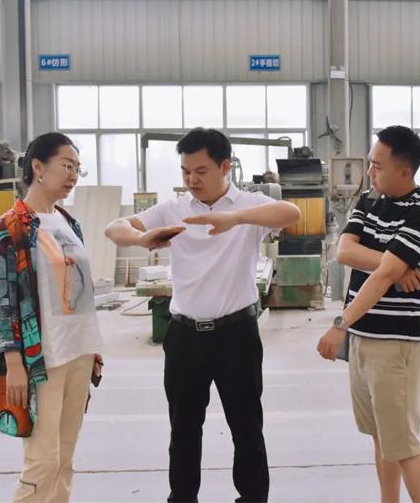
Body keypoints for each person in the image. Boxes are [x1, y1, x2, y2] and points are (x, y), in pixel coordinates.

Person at [105, 127, 300, 502]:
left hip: (236, 335)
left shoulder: (249, 205)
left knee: (246, 427)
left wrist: (235, 218)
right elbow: (114, 228)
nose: (191, 180)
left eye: (200, 171)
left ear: (224, 167)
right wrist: (142, 238)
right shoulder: (173, 210)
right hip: (185, 337)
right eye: (185, 171)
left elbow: (290, 212)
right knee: (183, 429)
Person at [317, 125, 420, 503]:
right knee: (381, 439)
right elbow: (344, 252)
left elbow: (382, 276)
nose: (370, 172)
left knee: (403, 445)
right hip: (365, 338)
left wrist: (340, 323)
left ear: (405, 170)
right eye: (370, 163)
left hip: (395, 341)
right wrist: (396, 266)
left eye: (378, 166)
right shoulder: (370, 201)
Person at [0, 132, 105, 503]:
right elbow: (4, 300)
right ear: (38, 167)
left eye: (78, 169)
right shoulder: (11, 226)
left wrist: (92, 350)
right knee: (42, 461)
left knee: (65, 458)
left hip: (79, 352)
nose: (73, 176)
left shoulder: (68, 221)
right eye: (67, 166)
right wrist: (13, 364)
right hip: (42, 358)